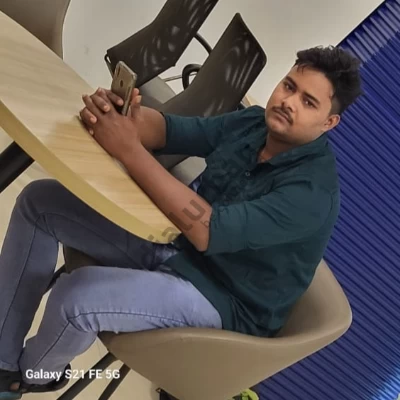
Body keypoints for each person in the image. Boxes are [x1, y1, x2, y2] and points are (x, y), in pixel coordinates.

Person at [0, 45, 362, 398]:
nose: (288, 101)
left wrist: (128, 148)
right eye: (289, 86)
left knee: (76, 297)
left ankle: (28, 379)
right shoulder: (255, 122)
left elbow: (207, 230)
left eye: (308, 102)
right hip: (175, 244)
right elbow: (172, 131)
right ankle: (3, 362)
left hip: (223, 300)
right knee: (40, 202)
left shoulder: (312, 194)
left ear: (329, 122)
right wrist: (126, 118)